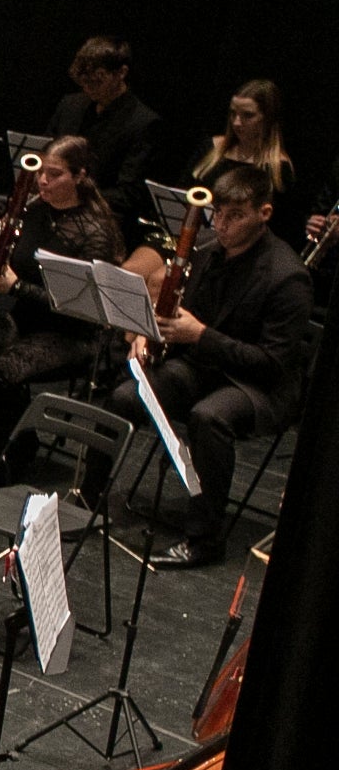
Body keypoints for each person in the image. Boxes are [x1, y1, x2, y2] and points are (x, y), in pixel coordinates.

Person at [99, 162, 311, 567]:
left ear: (263, 214)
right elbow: (182, 313)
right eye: (219, 213)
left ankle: (205, 541)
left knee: (209, 417)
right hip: (207, 366)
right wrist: (149, 331)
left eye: (235, 216)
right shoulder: (207, 251)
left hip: (260, 386)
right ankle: (88, 499)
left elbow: (272, 364)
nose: (222, 224)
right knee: (129, 392)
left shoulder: (288, 277)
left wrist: (199, 335)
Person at [0, 135, 121, 465]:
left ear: (80, 176)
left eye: (55, 174)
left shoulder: (95, 233)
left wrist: (17, 288)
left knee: (1, 372)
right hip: (25, 319)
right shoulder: (33, 209)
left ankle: (12, 456)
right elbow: (0, 259)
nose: (43, 181)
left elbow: (81, 307)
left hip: (72, 333)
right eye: (41, 173)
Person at [150, 77, 305, 258]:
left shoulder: (278, 169)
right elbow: (181, 191)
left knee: (158, 279)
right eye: (233, 114)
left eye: (247, 115)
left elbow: (282, 229)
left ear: (267, 119)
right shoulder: (211, 148)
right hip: (186, 237)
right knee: (135, 267)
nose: (237, 122)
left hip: (232, 251)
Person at [46, 36, 166, 239]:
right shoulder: (70, 106)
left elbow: (128, 194)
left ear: (121, 73)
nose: (88, 88)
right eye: (83, 81)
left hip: (101, 220)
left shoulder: (143, 123)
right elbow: (45, 153)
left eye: (97, 80)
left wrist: (74, 194)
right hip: (53, 205)